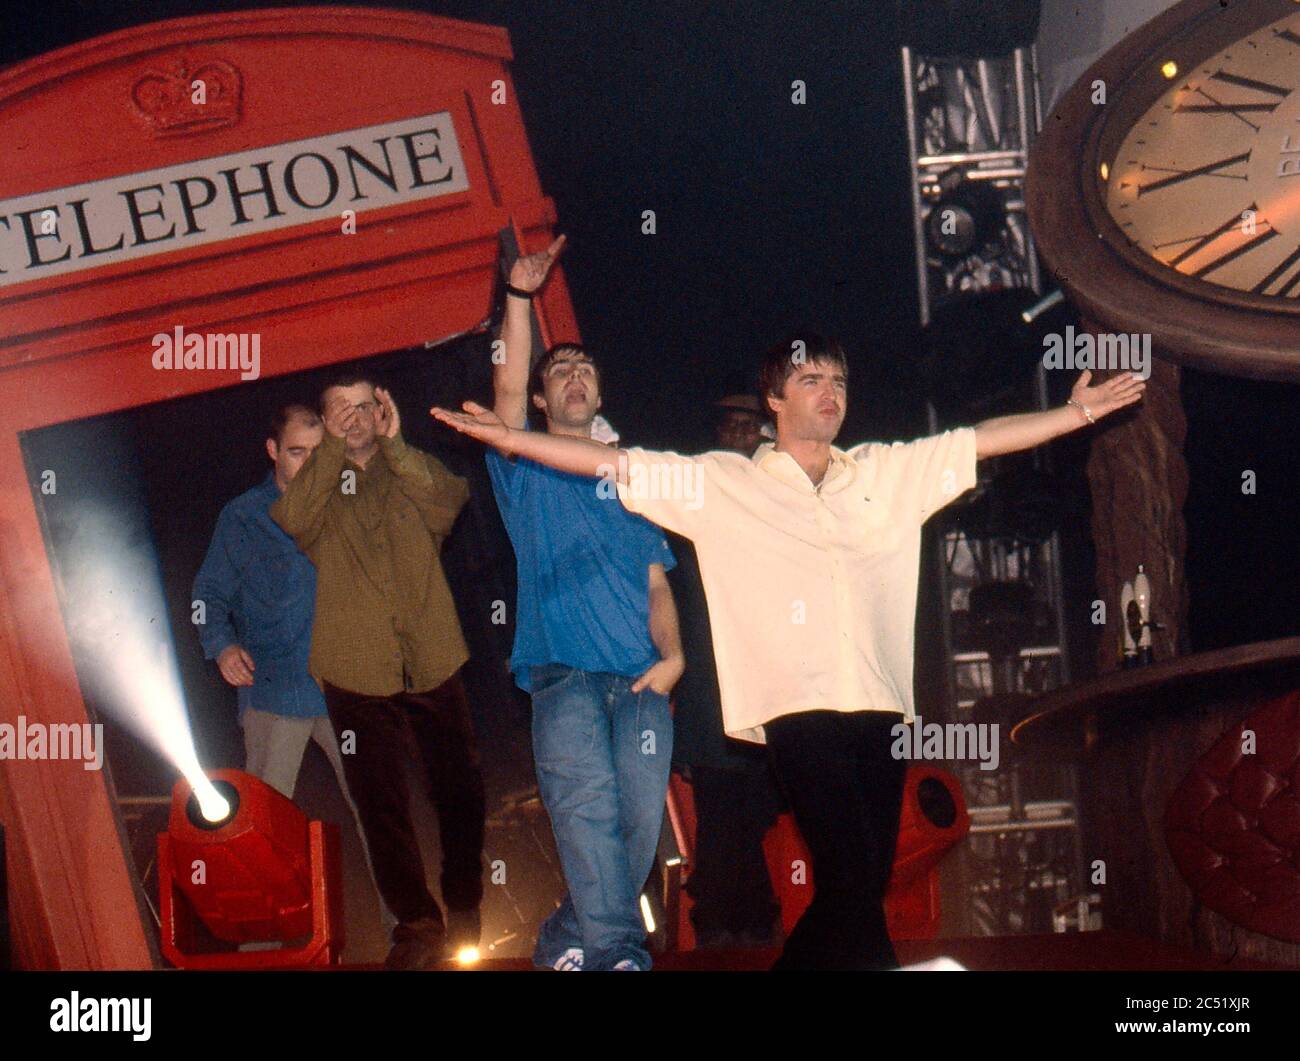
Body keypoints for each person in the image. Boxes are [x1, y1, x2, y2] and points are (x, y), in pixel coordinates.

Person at [433, 332, 1144, 970]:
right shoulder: (725, 482)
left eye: (838, 382)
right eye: (811, 381)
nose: (830, 394)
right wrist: (514, 441)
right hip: (795, 711)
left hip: (879, 707)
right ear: (775, 398)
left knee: (858, 886)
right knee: (848, 872)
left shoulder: (885, 471)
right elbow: (613, 461)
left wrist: (1076, 414)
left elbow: (979, 440)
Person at [486, 235, 683, 971]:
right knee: (586, 810)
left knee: (633, 825)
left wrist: (676, 656)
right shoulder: (527, 470)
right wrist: (517, 298)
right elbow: (504, 403)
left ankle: (567, 932)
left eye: (584, 369)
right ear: (543, 399)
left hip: (640, 681)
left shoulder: (637, 479)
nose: (573, 376)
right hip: (563, 673)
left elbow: (658, 580)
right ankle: (618, 953)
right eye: (558, 370)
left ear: (599, 395)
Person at [272, 375, 485, 970]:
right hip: (354, 670)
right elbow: (292, 518)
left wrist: (395, 443)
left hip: (433, 657)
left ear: (383, 410)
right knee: (381, 807)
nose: (353, 416)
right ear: (325, 422)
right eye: (339, 409)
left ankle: (465, 902)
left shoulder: (409, 471)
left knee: (460, 791)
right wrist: (330, 451)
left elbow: (451, 499)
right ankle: (417, 926)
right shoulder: (317, 490)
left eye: (364, 405)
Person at [192, 405, 385, 927]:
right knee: (263, 825)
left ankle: (412, 934)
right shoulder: (243, 517)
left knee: (379, 809)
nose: (309, 464)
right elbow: (207, 594)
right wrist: (223, 646)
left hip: (348, 686)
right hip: (276, 689)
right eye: (297, 452)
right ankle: (263, 946)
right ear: (274, 451)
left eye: (319, 454)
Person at [668, 394, 782, 948]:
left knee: (746, 812)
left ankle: (733, 921)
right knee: (722, 809)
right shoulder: (697, 503)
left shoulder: (782, 502)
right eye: (730, 424)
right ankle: (734, 923)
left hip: (767, 694)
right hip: (714, 697)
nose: (740, 433)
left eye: (749, 424)